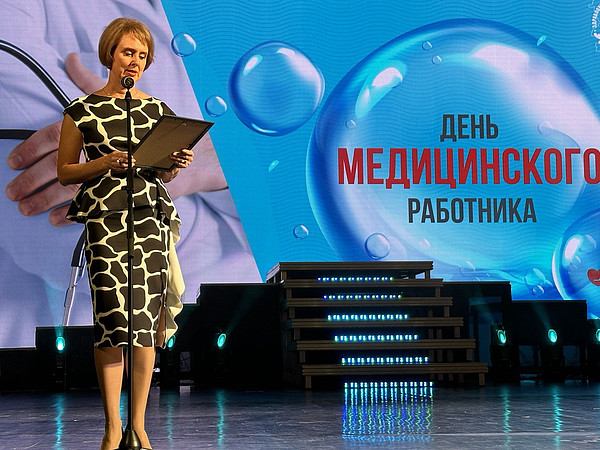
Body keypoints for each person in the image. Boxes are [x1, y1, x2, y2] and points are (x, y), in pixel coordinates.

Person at [0, 0, 260, 349]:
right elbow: (92, 251)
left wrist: (218, 154)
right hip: (61, 354)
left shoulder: (273, 17)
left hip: (245, 348)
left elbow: (305, 223)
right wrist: (226, 173)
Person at [57, 18, 189, 450]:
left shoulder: (157, 110)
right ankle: (113, 425)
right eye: (128, 52)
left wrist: (174, 165)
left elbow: (162, 173)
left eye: (142, 56)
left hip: (149, 218)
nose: (134, 61)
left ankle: (140, 424)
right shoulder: (81, 110)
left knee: (145, 322)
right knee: (113, 320)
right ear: (110, 53)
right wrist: (105, 162)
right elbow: (65, 172)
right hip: (105, 219)